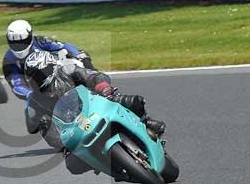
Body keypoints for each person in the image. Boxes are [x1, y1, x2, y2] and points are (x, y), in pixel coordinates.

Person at [23, 50, 166, 173]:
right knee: (72, 165)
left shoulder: (67, 70)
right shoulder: (34, 101)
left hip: (95, 106)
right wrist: (40, 124)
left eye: (39, 75)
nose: (36, 80)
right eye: (32, 78)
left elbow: (94, 76)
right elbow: (32, 126)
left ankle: (146, 122)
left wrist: (103, 87)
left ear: (51, 68)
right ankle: (105, 165)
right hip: (73, 130)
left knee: (133, 101)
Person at [2, 19, 95, 100]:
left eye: (22, 42)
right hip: (38, 93)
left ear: (30, 37)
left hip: (59, 75)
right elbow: (17, 85)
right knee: (31, 111)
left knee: (82, 56)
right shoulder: (9, 60)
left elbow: (65, 46)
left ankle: (95, 82)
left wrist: (77, 55)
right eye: (14, 43)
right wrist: (31, 95)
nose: (19, 46)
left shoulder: (41, 41)